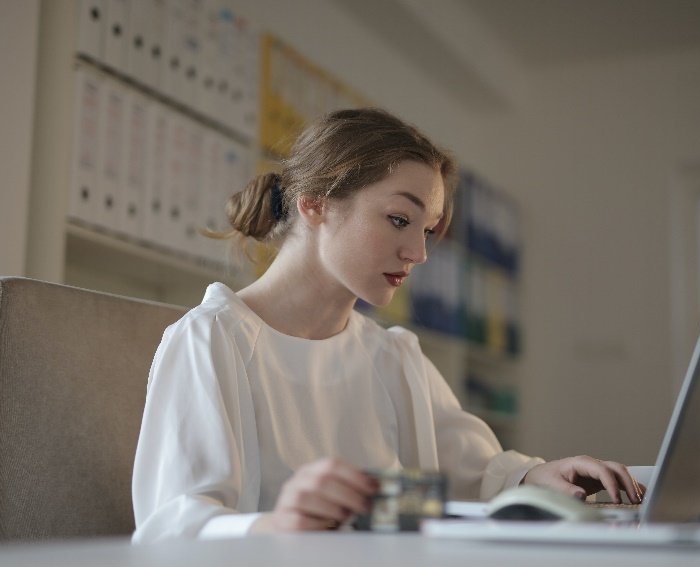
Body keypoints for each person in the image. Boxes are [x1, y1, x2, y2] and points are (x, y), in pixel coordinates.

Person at [131, 107, 642, 542]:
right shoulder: (212, 340)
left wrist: (538, 476)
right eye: (400, 219)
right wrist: (275, 526)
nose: (418, 253)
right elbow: (168, 529)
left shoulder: (392, 356)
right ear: (315, 204)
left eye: (426, 231)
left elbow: (480, 472)